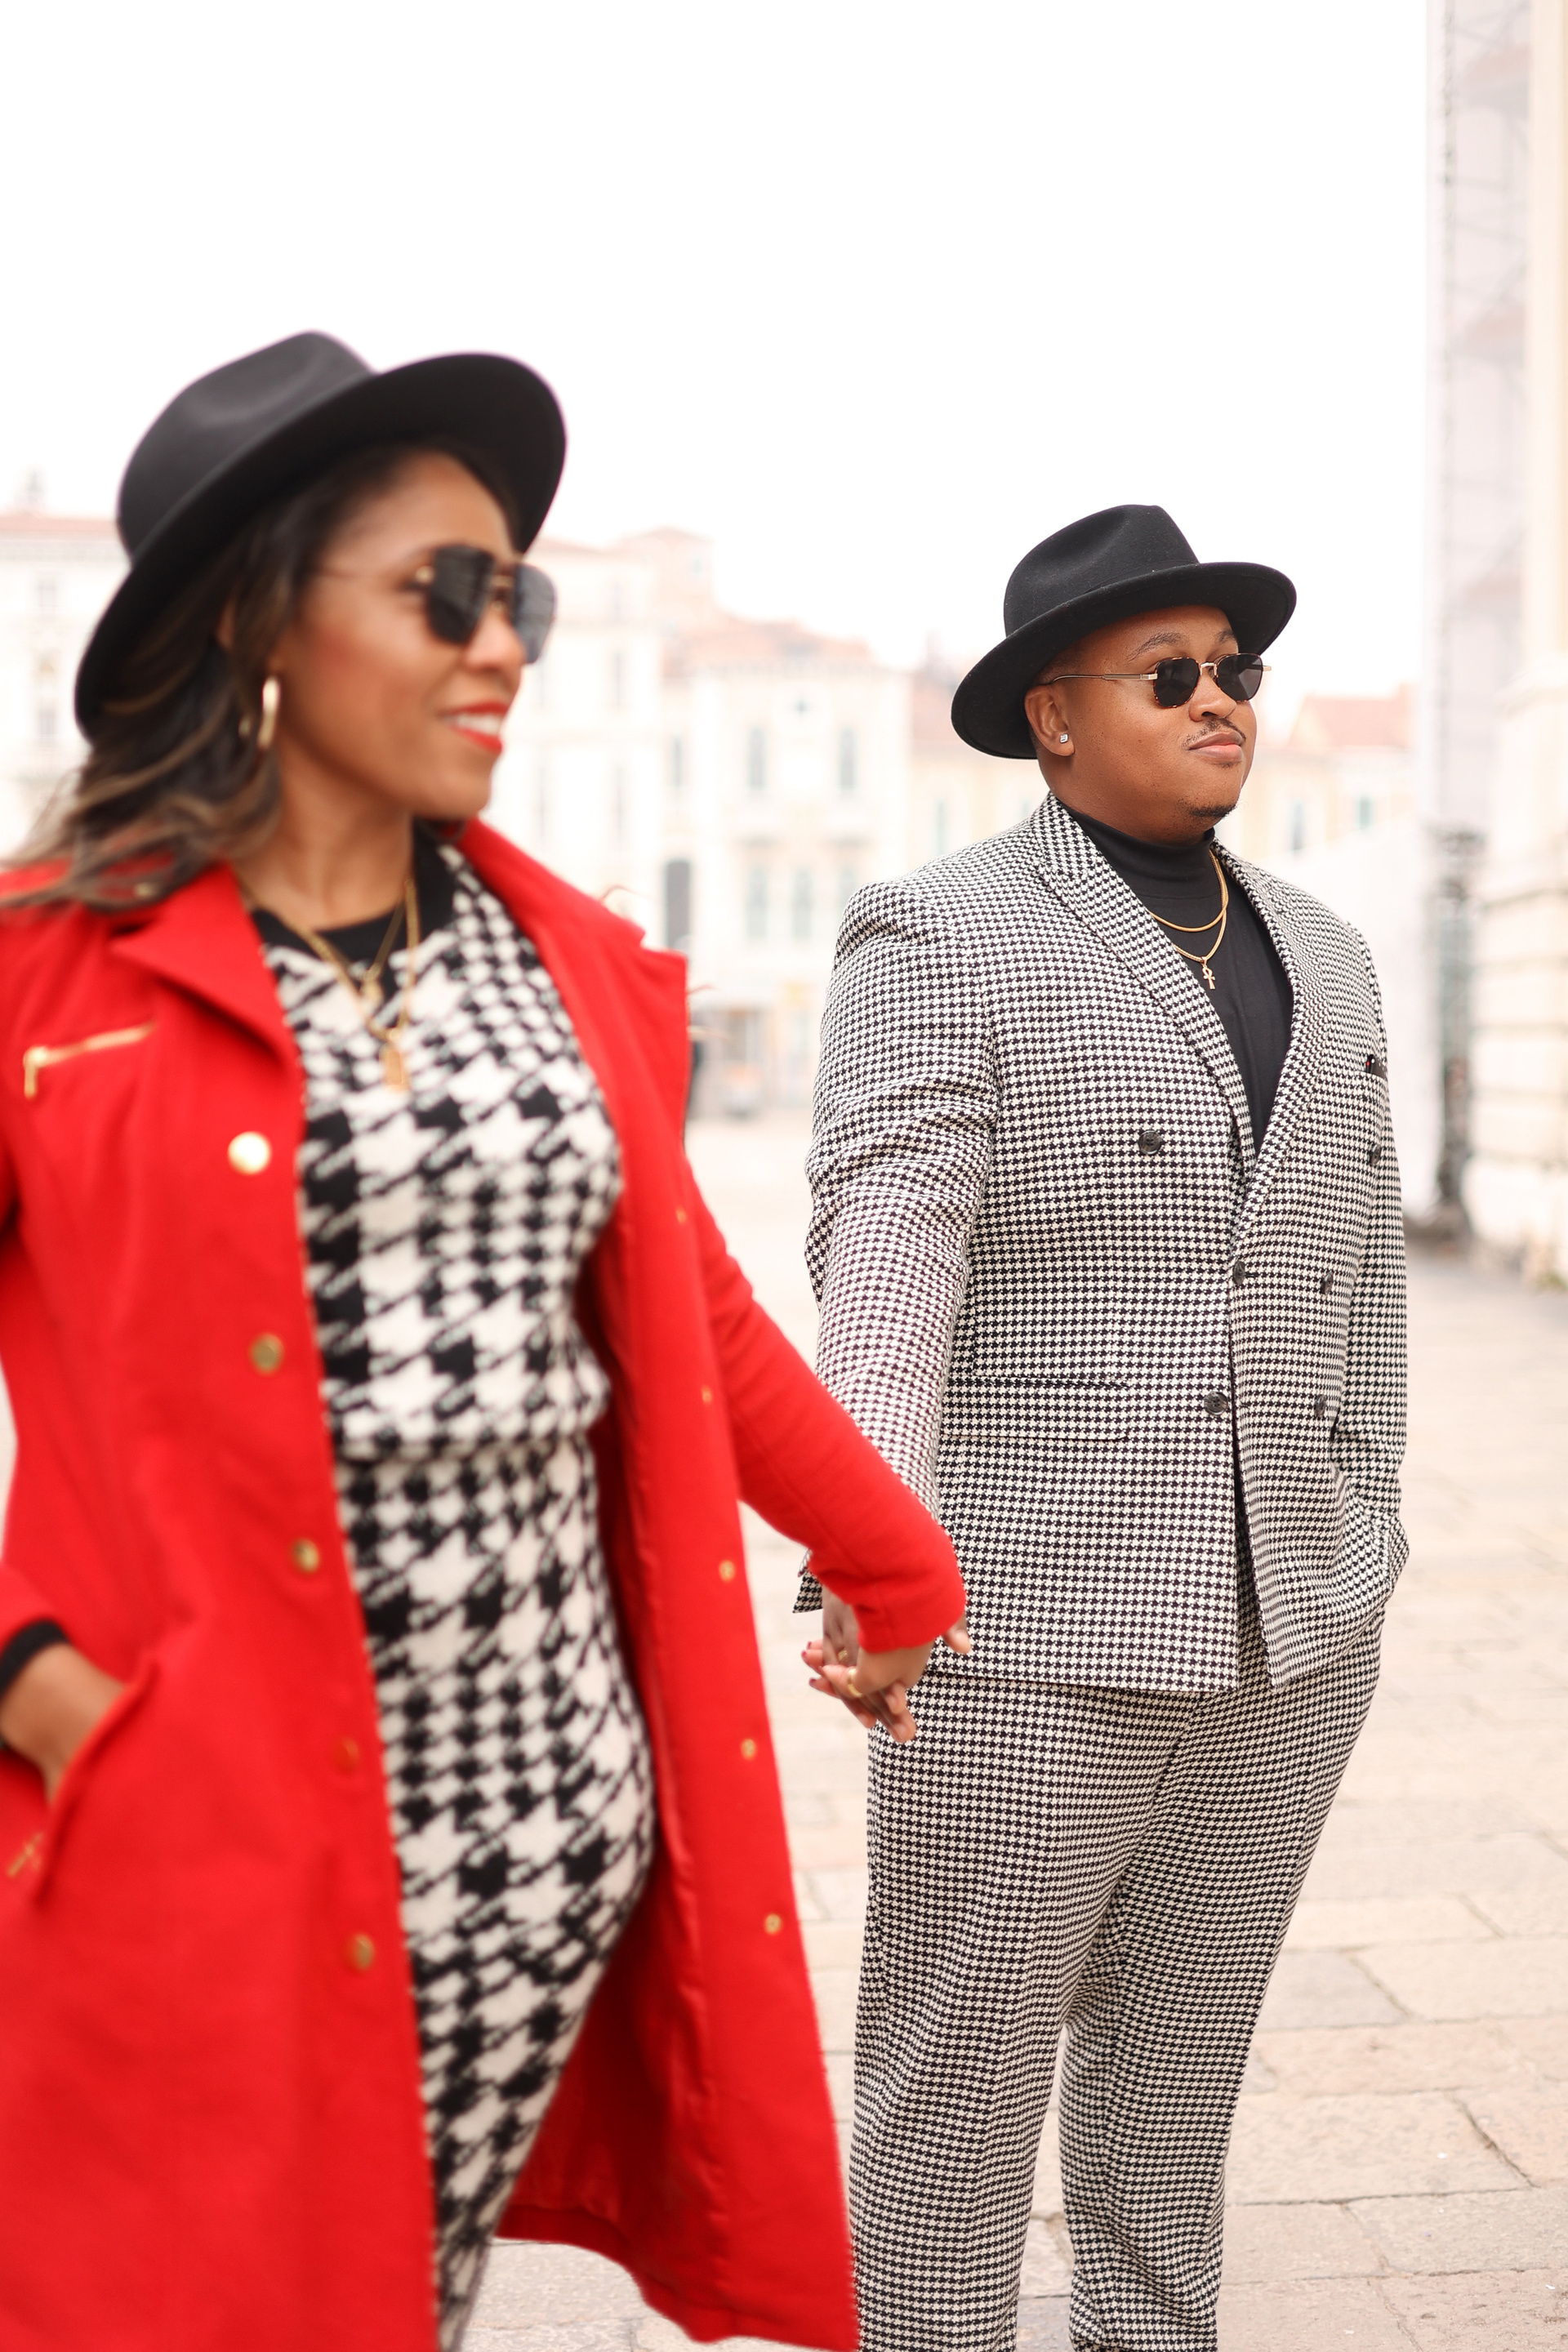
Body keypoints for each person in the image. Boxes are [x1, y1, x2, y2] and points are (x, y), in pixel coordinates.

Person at [0, 332, 968, 2352]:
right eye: (446, 592)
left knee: (398, 2297)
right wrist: (48, 1693)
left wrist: (894, 1558)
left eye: (516, 592)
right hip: (204, 1834)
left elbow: (690, 1310)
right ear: (255, 615)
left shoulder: (567, 963)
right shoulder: (47, 976)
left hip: (541, 1826)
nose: (502, 641)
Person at [802, 505, 1405, 2352]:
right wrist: (874, 1556)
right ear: (1053, 716)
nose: (1222, 699)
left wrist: (1367, 1528)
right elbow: (886, 1251)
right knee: (953, 2106)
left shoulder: (1328, 951)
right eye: (1172, 673)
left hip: (1292, 1629)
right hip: (1026, 1628)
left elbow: (1359, 1276)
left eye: (1239, 670)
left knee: (1178, 2090)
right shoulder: (941, 934)